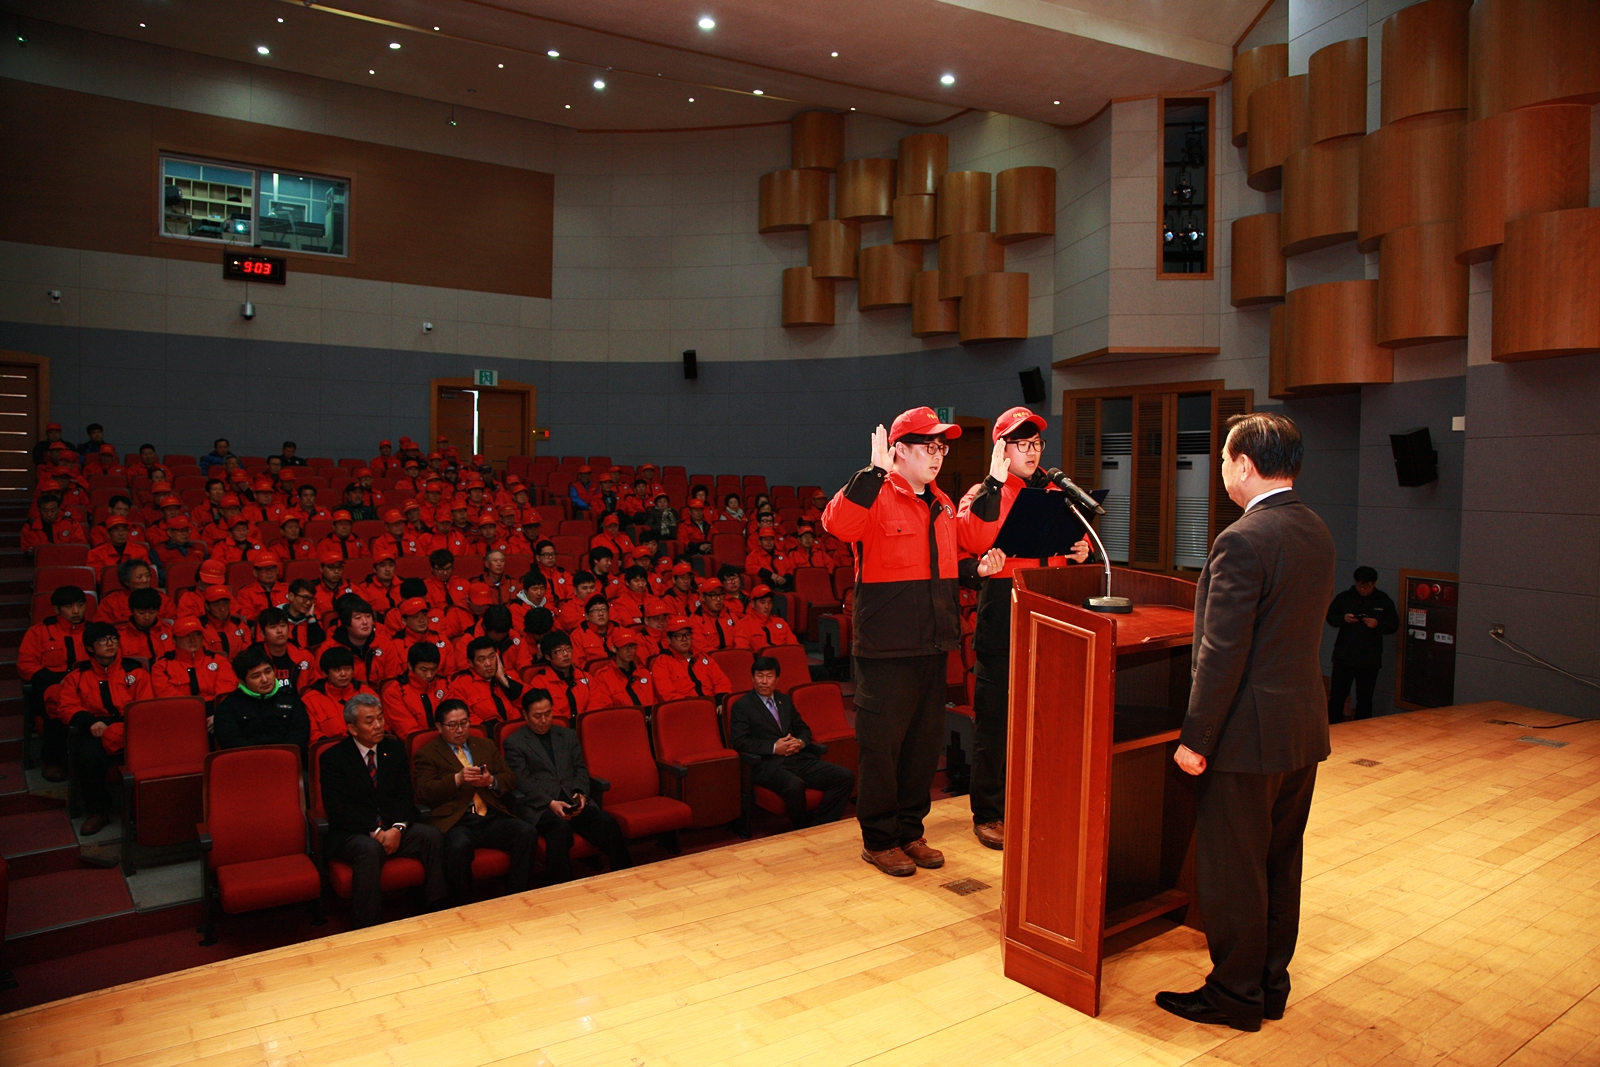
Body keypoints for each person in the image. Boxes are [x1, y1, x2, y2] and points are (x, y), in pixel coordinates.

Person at [1158, 412, 1335, 1032]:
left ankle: (1233, 995)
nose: (1224, 471)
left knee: (1234, 870)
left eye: (1227, 460)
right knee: (1280, 862)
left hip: (1244, 734)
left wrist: (1195, 739)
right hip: (1300, 727)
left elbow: (1221, 651)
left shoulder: (1242, 538)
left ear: (1244, 464)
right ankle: (1268, 985)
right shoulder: (1314, 528)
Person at [821, 407, 1004, 878]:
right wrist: (871, 472)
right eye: (928, 445)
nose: (938, 455)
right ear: (898, 450)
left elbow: (971, 542)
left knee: (924, 747)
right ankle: (880, 840)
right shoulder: (876, 493)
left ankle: (910, 831)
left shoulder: (941, 504)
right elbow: (837, 525)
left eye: (942, 447)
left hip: (934, 642)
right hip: (885, 647)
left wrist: (976, 566)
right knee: (883, 747)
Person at [954, 406, 1089, 849]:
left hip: (1050, 606)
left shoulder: (1053, 489)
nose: (1031, 452)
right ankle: (990, 811)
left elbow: (1080, 536)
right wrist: (994, 485)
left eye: (1036, 444)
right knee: (996, 717)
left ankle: (1033, 799)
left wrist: (1081, 549)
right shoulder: (984, 493)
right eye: (1021, 444)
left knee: (1041, 713)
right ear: (1001, 449)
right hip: (1004, 607)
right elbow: (970, 539)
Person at [318, 693, 447, 928]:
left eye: (380, 718)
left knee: (431, 836)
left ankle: (436, 911)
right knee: (369, 849)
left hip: (393, 827)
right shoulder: (333, 758)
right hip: (354, 833)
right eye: (369, 721)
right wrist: (376, 832)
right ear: (352, 728)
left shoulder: (394, 749)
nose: (378, 726)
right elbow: (338, 809)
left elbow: (404, 796)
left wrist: (397, 829)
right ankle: (366, 925)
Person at [412, 699, 538, 906]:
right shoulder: (427, 754)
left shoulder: (485, 745)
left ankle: (516, 896)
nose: (460, 730)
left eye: (464, 723)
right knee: (458, 846)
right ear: (439, 727)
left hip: (489, 814)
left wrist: (491, 781)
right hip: (457, 820)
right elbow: (425, 792)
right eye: (453, 725)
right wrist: (457, 779)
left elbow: (509, 778)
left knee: (526, 832)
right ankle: (462, 904)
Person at [502, 688, 632, 883]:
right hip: (541, 806)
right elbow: (522, 781)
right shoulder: (515, 742)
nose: (544, 720)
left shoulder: (567, 735)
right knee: (559, 830)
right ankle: (561, 886)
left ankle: (627, 877)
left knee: (607, 823)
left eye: (548, 714)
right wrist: (550, 803)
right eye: (537, 716)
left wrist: (581, 793)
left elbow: (580, 768)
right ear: (526, 715)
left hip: (571, 799)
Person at [728, 656, 854, 830]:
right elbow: (740, 742)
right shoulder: (742, 706)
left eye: (769, 676)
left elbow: (803, 729)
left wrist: (800, 742)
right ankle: (802, 828)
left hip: (797, 757)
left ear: (777, 679)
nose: (764, 681)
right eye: (760, 676)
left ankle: (821, 825)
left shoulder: (784, 700)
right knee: (795, 785)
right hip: (768, 764)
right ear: (752, 678)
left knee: (845, 776)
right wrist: (773, 748)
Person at [55, 622, 155, 836]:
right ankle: (98, 811)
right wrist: (89, 721)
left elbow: (145, 705)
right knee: (88, 755)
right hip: (95, 727)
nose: (110, 644)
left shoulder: (134, 671)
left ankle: (148, 810)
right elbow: (66, 707)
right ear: (90, 647)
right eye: (103, 640)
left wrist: (120, 728)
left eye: (113, 639)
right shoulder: (78, 676)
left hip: (131, 726)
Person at [18, 584, 90, 782]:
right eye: (69, 607)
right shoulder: (38, 632)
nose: (76, 611)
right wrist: (58, 680)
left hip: (86, 687)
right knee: (58, 702)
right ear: (57, 609)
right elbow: (25, 665)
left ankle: (85, 759)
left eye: (80, 605)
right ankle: (53, 760)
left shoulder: (93, 631)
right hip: (48, 687)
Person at [1325, 566, 1400, 722]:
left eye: (1367, 585)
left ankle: (1363, 729)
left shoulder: (1382, 600)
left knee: (1365, 698)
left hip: (1369, 660)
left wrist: (1377, 624)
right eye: (1360, 584)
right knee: (1338, 696)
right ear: (1356, 582)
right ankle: (1333, 727)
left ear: (1374, 583)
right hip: (1344, 657)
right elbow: (1330, 617)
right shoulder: (1345, 598)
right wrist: (1343, 619)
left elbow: (1393, 625)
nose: (1363, 588)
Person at [214, 646, 311, 751]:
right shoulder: (228, 707)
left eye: (268, 671)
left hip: (285, 760)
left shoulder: (292, 701)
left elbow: (300, 736)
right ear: (242, 681)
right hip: (247, 762)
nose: (265, 679)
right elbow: (231, 742)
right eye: (256, 676)